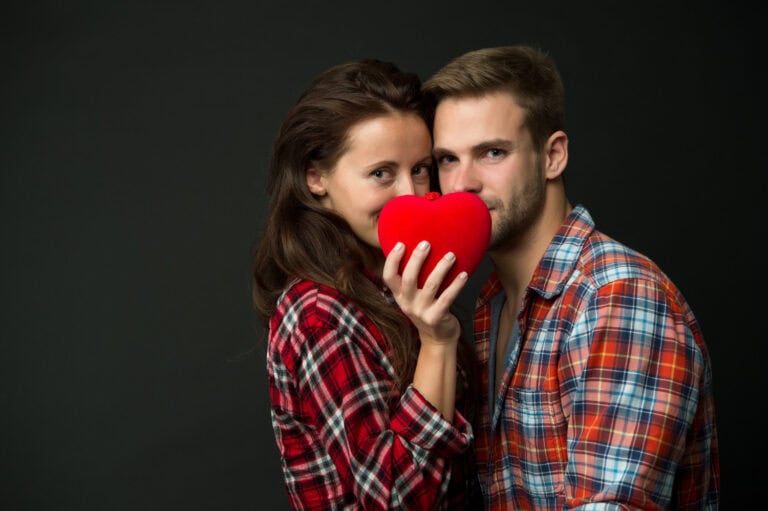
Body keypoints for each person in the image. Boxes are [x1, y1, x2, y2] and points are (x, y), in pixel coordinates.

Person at [406, 45, 719, 509]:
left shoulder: (616, 295)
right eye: (447, 159)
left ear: (552, 156)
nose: (462, 184)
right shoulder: (491, 305)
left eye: (492, 152)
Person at [251, 59, 481, 510]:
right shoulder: (319, 314)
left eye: (420, 169)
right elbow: (395, 500)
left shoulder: (388, 284)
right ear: (316, 178)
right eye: (381, 173)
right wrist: (436, 343)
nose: (410, 196)